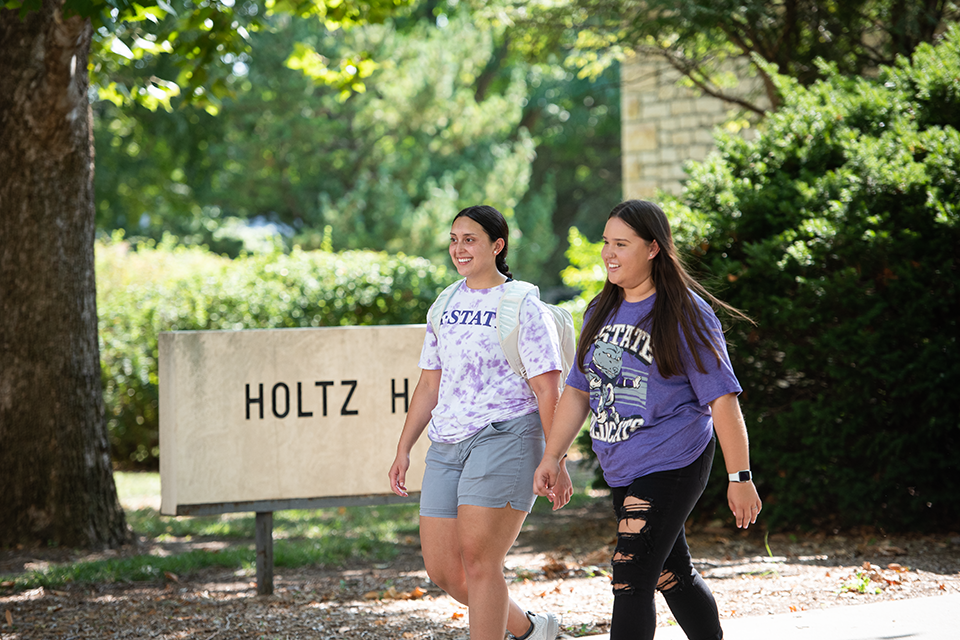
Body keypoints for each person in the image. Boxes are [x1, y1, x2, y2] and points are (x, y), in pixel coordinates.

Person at [533, 199, 762, 640]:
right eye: (605, 242)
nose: (608, 253)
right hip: (623, 464)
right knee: (671, 573)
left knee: (630, 574)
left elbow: (722, 399)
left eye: (622, 244)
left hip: (673, 459)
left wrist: (740, 476)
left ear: (653, 248)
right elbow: (579, 390)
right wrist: (553, 456)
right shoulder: (601, 308)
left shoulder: (684, 313)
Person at [389, 205, 573, 640]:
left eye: (470, 239)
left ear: (497, 245)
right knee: (445, 571)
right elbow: (429, 385)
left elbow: (549, 390)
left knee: (480, 561)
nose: (459, 248)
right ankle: (533, 630)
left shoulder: (521, 304)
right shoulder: (446, 302)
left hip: (507, 435)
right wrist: (404, 447)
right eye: (454, 239)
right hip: (448, 445)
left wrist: (556, 458)